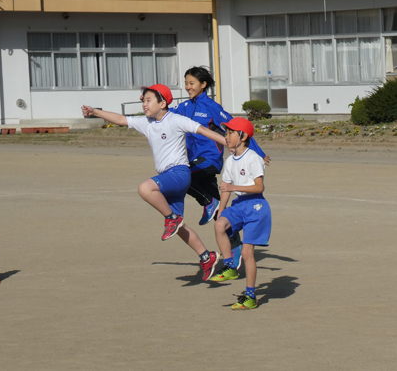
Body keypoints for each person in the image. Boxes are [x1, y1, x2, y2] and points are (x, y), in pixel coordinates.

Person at [81, 84, 225, 281]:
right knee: (179, 227)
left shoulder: (175, 119)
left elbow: (202, 131)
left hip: (179, 173)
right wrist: (95, 111)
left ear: (163, 103)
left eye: (148, 100)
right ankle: (206, 257)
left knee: (145, 188)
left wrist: (229, 143)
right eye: (143, 100)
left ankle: (171, 218)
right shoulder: (147, 123)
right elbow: (121, 119)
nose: (144, 104)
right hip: (169, 177)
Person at [169, 66, 270, 270]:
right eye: (186, 83)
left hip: (208, 159)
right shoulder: (184, 107)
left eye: (192, 83)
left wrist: (258, 152)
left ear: (203, 84)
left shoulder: (211, 107)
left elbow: (238, 128)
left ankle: (209, 201)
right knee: (220, 213)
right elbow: (166, 116)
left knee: (182, 176)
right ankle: (236, 246)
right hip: (193, 160)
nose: (188, 87)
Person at [209, 118, 272, 310]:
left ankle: (250, 296)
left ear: (243, 136)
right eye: (226, 133)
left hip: (256, 207)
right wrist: (221, 211)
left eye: (230, 133)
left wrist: (232, 186)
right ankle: (230, 267)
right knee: (219, 225)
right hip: (239, 205)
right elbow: (225, 190)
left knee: (247, 252)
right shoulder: (230, 160)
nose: (226, 136)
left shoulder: (252, 157)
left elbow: (259, 187)